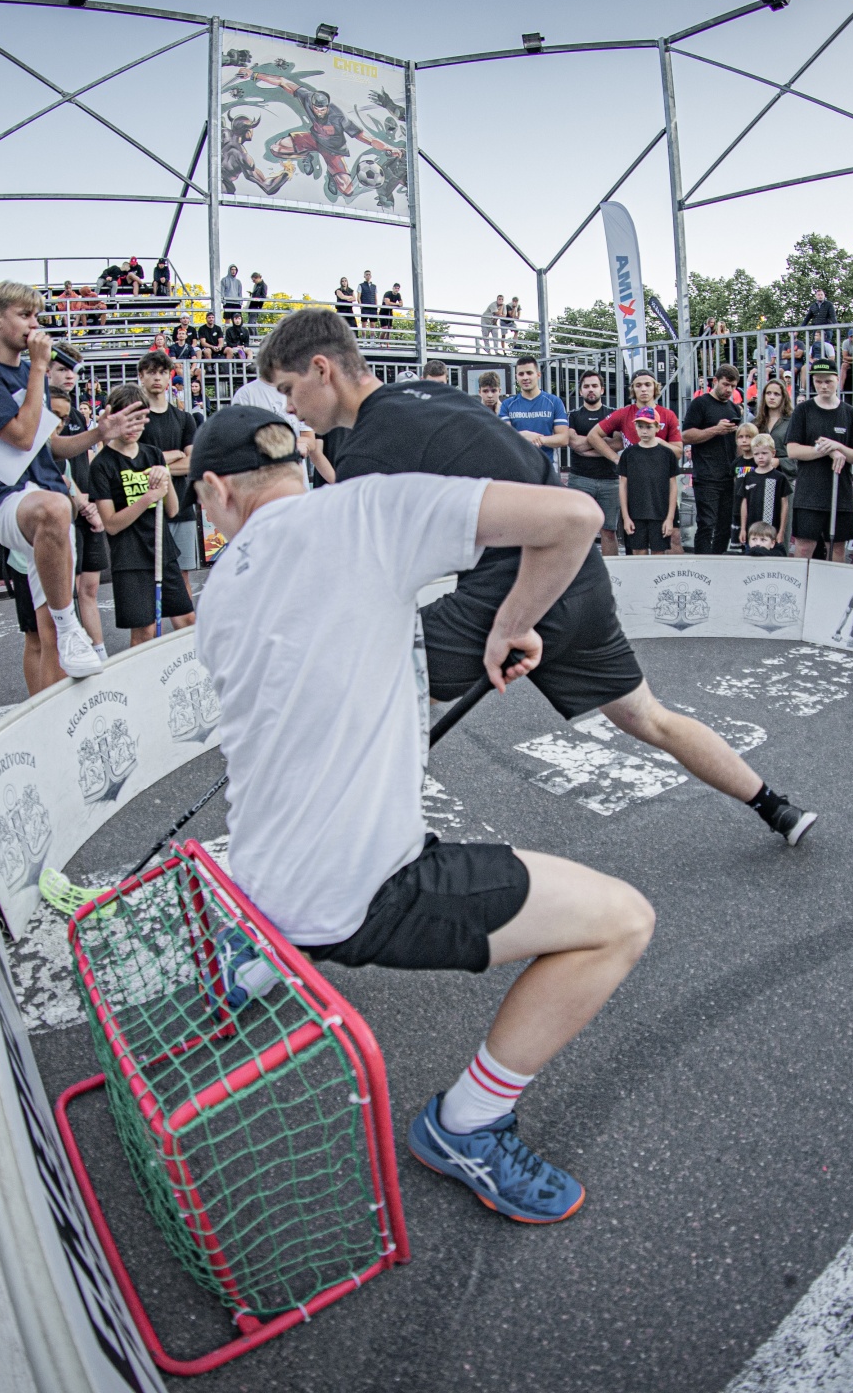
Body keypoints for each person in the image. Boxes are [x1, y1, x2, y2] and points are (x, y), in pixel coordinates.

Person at [185, 401, 647, 1223]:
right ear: (302, 465)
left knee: (303, 861)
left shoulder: (221, 592)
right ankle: (467, 1125)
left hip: (258, 873)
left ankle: (261, 946)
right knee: (621, 923)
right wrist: (511, 623)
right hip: (360, 891)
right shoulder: (363, 510)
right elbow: (575, 517)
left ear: (217, 491)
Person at [262, 308, 817, 843]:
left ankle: (352, 842)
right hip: (577, 579)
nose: (289, 406)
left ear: (321, 369)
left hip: (514, 587)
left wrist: (512, 623)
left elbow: (373, 578)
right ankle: (776, 807)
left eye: (288, 388)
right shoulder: (427, 395)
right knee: (650, 718)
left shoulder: (372, 447)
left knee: (373, 676)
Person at [0, 281, 135, 684]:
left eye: (37, 316)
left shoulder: (29, 372)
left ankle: (51, 705)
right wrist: (39, 368)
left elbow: (49, 446)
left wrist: (100, 433)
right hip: (7, 498)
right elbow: (21, 436)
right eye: (25, 315)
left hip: (47, 501)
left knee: (48, 632)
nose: (34, 325)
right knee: (55, 509)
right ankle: (72, 625)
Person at [89, 382, 196, 647]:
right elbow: (111, 524)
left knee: (187, 621)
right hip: (130, 559)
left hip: (162, 551)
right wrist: (148, 497)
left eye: (139, 420)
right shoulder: (103, 464)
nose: (134, 427)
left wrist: (165, 479)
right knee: (145, 632)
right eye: (128, 420)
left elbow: (172, 509)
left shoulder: (153, 454)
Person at [49, 362, 108, 661]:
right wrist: (82, 502)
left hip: (87, 508)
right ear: (46, 372)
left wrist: (92, 499)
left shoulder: (76, 415)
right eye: (62, 369)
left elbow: (85, 459)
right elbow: (54, 468)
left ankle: (99, 652)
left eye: (74, 369)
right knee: (65, 591)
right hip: (64, 511)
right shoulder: (40, 415)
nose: (70, 375)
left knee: (90, 587)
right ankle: (71, 653)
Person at [786, 358, 853, 564]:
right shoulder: (803, 410)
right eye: (818, 381)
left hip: (840, 493)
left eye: (828, 381)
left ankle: (834, 584)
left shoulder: (851, 414)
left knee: (837, 548)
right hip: (809, 493)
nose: (823, 386)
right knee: (804, 546)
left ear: (838, 380)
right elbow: (792, 450)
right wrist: (826, 451)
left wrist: (837, 446)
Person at [137, 350, 200, 575]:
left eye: (163, 372)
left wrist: (157, 466)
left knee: (182, 578)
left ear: (169, 376)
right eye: (151, 372)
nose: (157, 377)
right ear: (141, 376)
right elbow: (134, 462)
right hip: (145, 508)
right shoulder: (136, 419)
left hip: (182, 507)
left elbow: (192, 464)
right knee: (150, 578)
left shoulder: (184, 418)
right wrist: (174, 454)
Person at [682, 364, 746, 554]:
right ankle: (702, 564)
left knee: (725, 527)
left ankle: (718, 562)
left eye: (733, 386)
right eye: (726, 384)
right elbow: (686, 436)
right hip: (706, 476)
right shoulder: (700, 403)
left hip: (728, 475)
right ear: (715, 381)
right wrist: (715, 430)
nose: (729, 390)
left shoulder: (734, 408)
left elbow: (737, 443)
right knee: (706, 524)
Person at [567, 371, 621, 557]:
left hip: (610, 480)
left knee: (609, 532)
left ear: (602, 389)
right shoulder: (573, 416)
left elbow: (618, 443)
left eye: (595, 386)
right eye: (587, 386)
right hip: (580, 479)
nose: (591, 390)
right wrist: (602, 443)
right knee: (579, 532)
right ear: (580, 391)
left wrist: (588, 444)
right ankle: (581, 572)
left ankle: (611, 572)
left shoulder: (613, 414)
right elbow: (574, 444)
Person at [617, 413, 678, 555]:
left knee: (659, 554)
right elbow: (623, 486)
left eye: (649, 427)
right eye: (640, 426)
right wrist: (626, 517)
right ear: (635, 427)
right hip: (635, 514)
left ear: (658, 427)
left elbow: (673, 487)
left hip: (660, 514)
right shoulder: (628, 454)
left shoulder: (667, 454)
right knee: (638, 554)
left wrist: (670, 518)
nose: (644, 431)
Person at [498, 356, 571, 472]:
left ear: (538, 375)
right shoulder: (507, 404)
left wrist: (539, 439)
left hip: (547, 467)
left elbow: (564, 438)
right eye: (521, 374)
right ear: (516, 377)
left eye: (529, 373)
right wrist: (523, 435)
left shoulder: (554, 402)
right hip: (518, 467)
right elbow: (504, 437)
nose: (525, 377)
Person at [738, 432, 790, 550]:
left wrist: (781, 531)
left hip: (771, 531)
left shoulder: (779, 477)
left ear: (773, 453)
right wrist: (743, 529)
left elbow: (785, 504)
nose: (760, 457)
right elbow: (744, 503)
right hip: (752, 531)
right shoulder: (749, 477)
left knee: (771, 558)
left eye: (764, 453)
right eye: (756, 454)